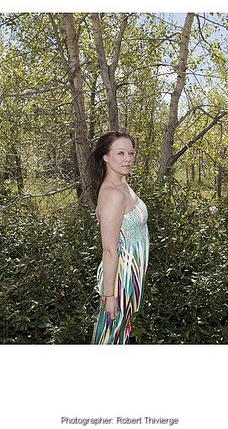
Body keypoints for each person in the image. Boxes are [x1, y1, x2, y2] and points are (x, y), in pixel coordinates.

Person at [87, 131, 149, 344]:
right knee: (112, 338)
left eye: (131, 153)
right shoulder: (112, 193)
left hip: (131, 275)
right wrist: (110, 296)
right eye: (120, 153)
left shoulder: (122, 184)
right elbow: (109, 250)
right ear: (105, 156)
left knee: (123, 334)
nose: (128, 159)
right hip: (120, 279)